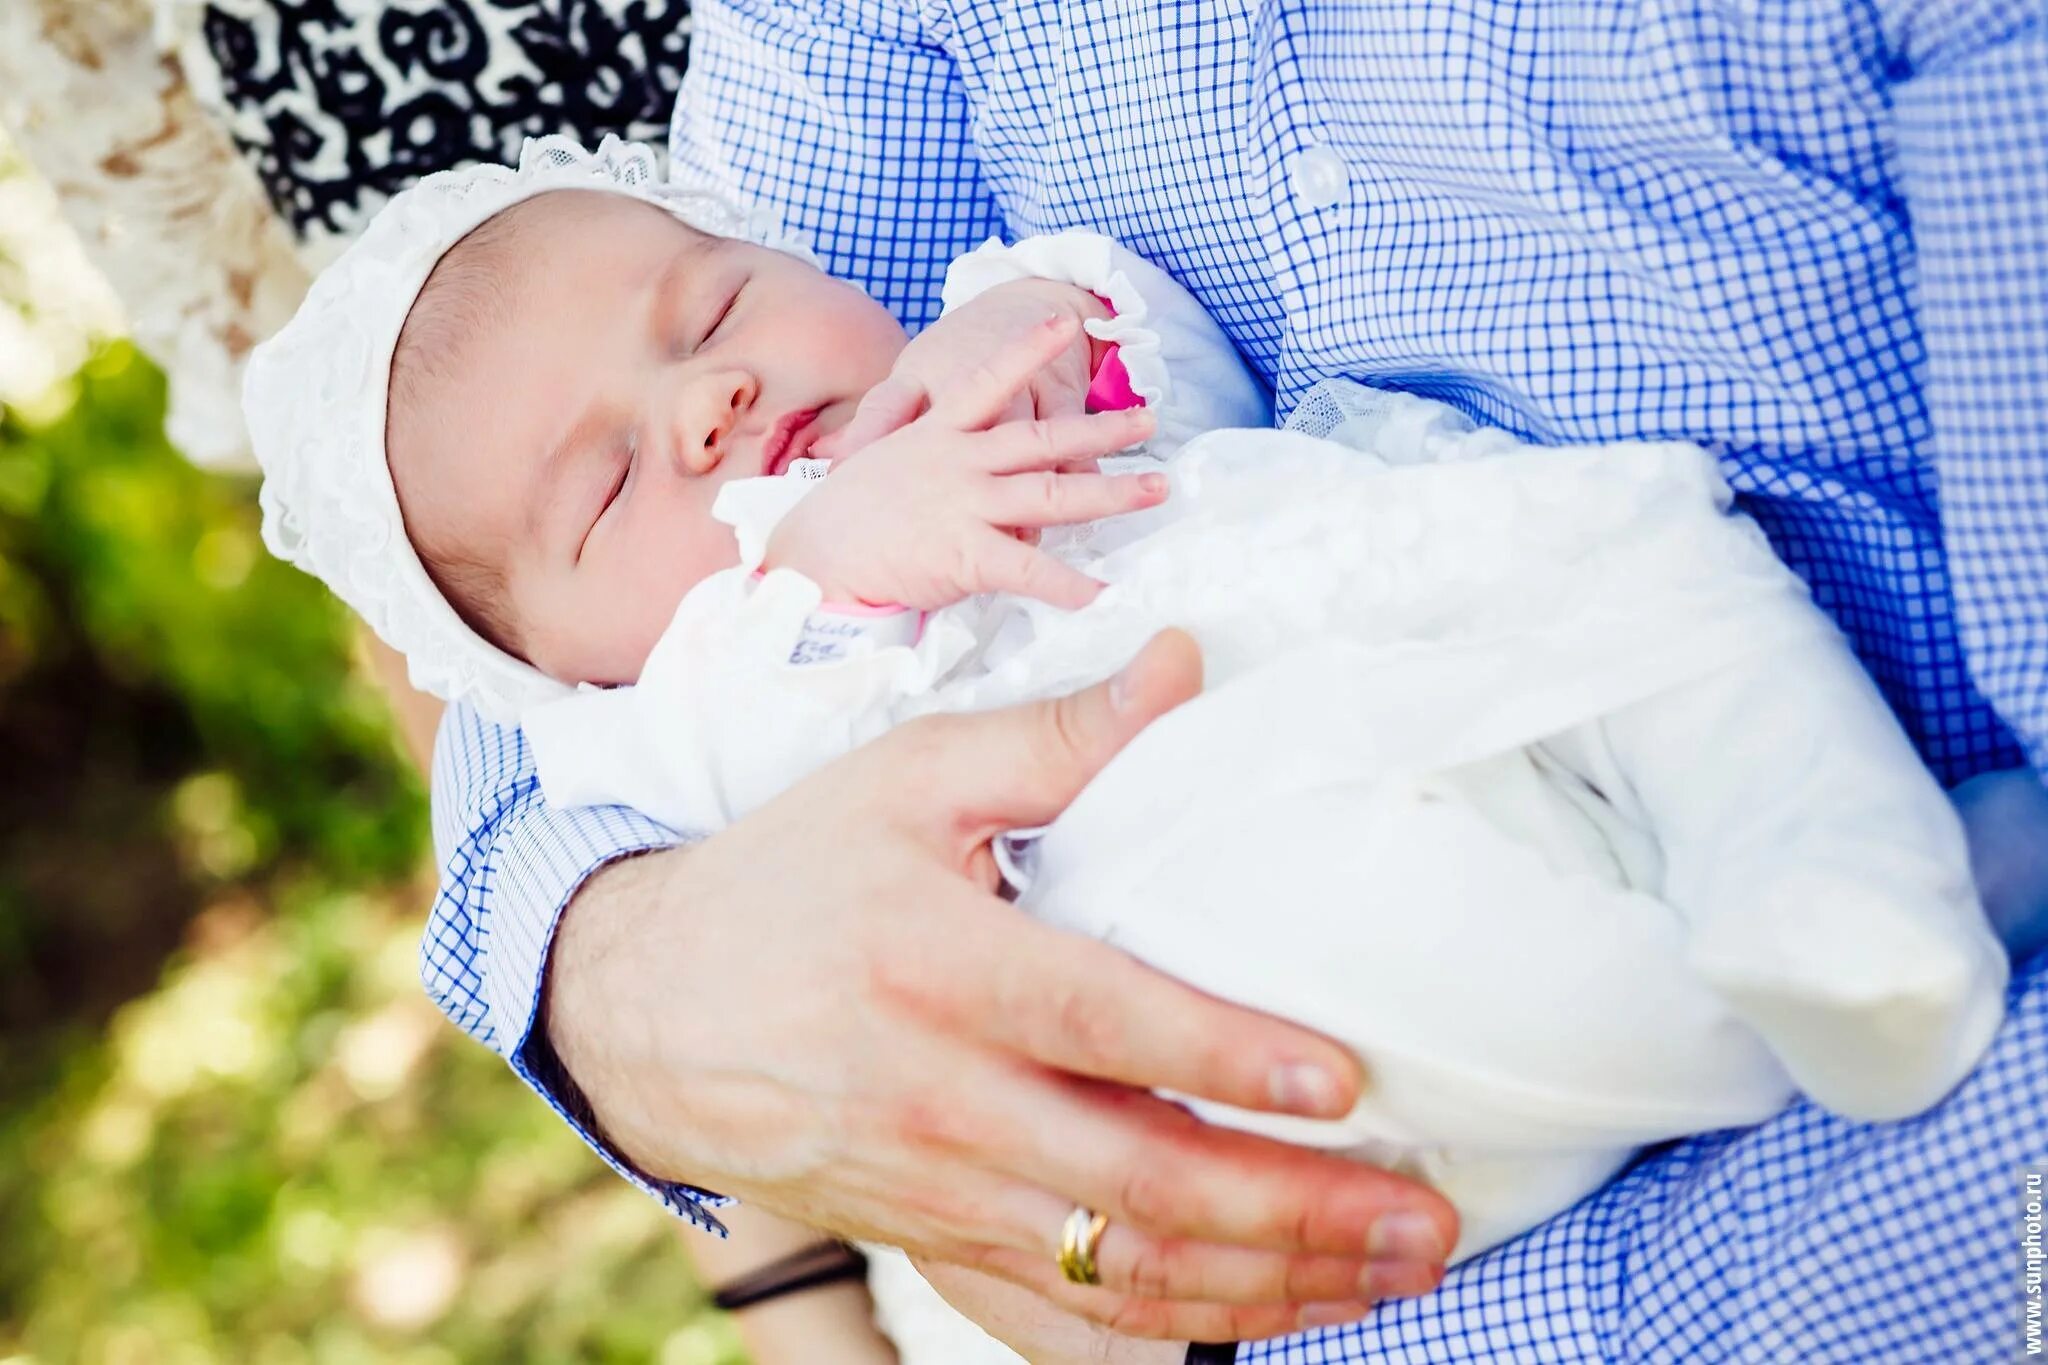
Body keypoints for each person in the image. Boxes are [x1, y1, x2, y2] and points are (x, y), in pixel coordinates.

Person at [387, 3, 2045, 1361]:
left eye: (724, 305)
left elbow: (1142, 362)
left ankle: (1852, 878)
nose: (707, 400)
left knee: (1676, 581)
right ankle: (1753, 985)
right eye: (607, 491)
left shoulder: (879, 369)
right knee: (1415, 964)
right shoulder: (690, 673)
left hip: (1467, 594)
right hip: (1240, 877)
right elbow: (537, 778)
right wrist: (643, 973)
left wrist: (1036, 326)